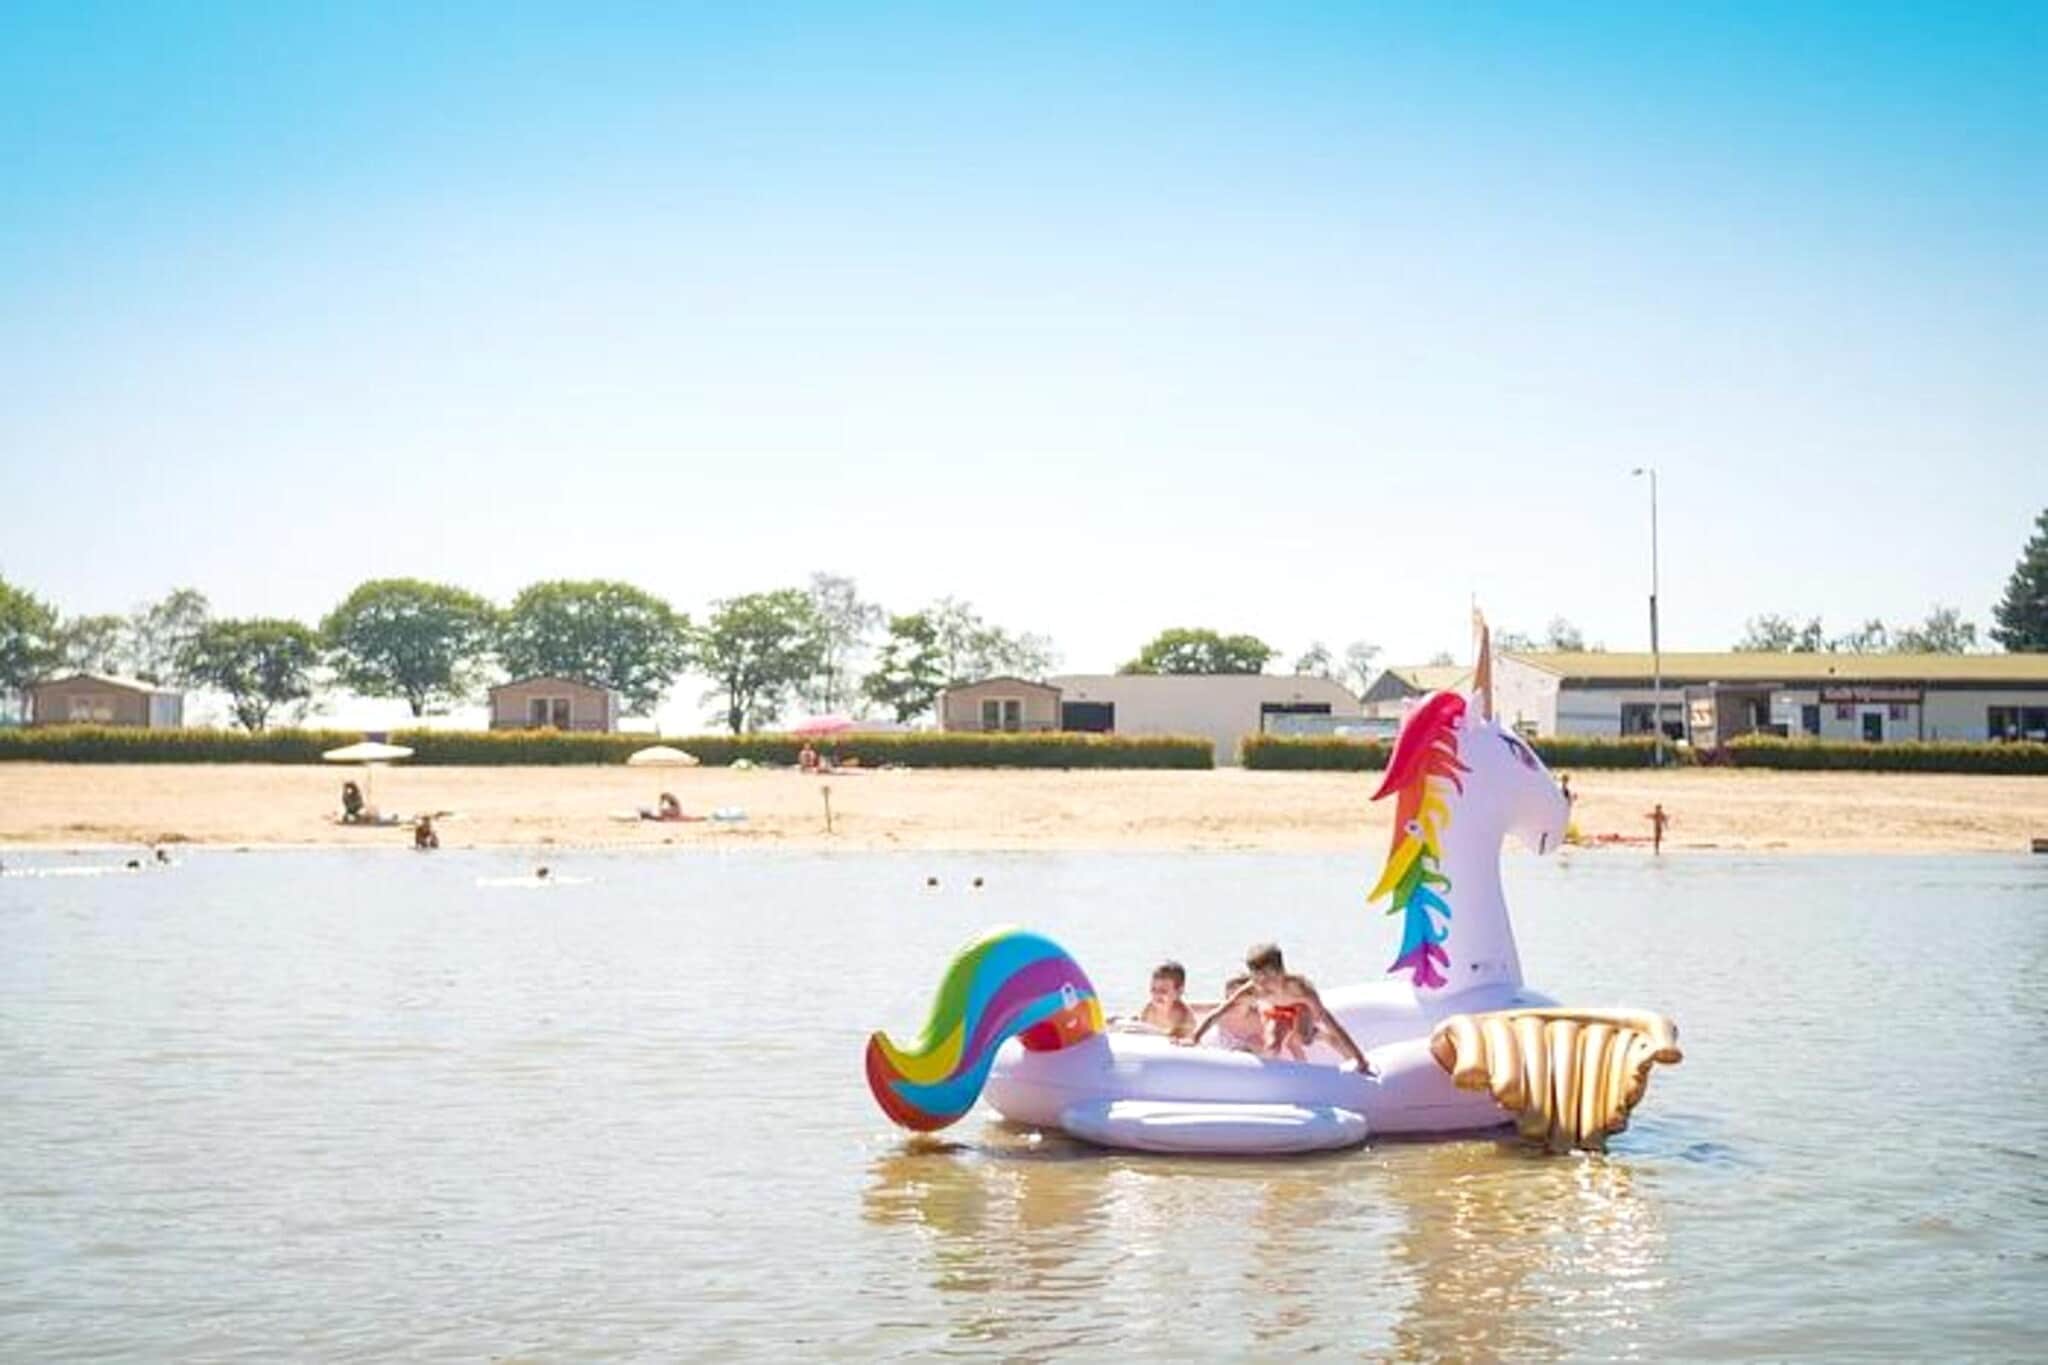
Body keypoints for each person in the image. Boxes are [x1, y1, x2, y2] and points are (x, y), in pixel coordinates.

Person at [1185, 943, 1373, 1074]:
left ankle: (1319, 1036)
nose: (1263, 985)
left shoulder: (1299, 988)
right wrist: (1195, 1037)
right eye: (1257, 978)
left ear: (1281, 972)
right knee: (1272, 1047)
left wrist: (1359, 1059)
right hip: (1277, 1011)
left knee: (1303, 1039)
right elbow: (1218, 1012)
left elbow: (1330, 1021)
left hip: (1300, 1008)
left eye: (1268, 978)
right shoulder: (1253, 990)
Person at [1135, 961, 1196, 1038]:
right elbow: (1141, 1027)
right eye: (1154, 990)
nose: (1157, 995)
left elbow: (1183, 1040)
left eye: (1163, 991)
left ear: (1179, 992)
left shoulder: (1184, 1017)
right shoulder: (1149, 1009)